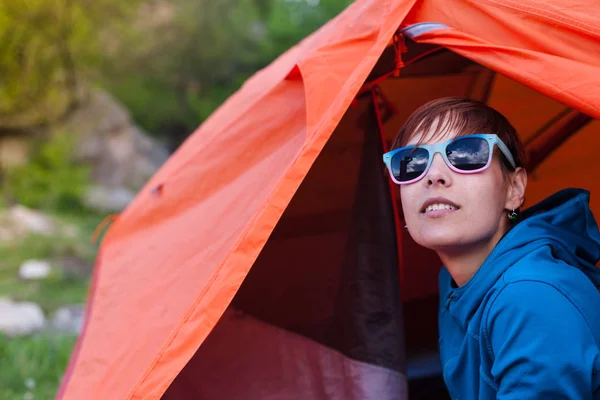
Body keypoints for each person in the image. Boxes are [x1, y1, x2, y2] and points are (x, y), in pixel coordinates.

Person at [383, 97, 600, 399]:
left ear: (514, 189)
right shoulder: (454, 280)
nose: (433, 175)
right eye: (412, 163)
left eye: (467, 155)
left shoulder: (531, 296)